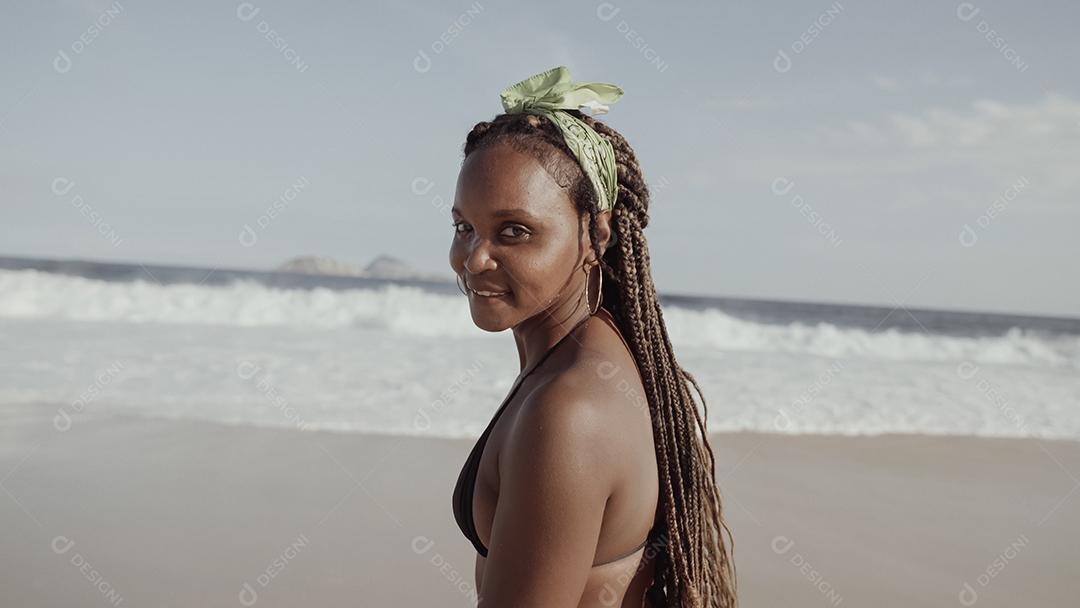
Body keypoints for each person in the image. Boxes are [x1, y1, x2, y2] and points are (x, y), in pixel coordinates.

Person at [449, 66, 737, 607]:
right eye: (464, 226)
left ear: (595, 233)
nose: (474, 258)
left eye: (514, 231)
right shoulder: (581, 359)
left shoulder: (567, 413)